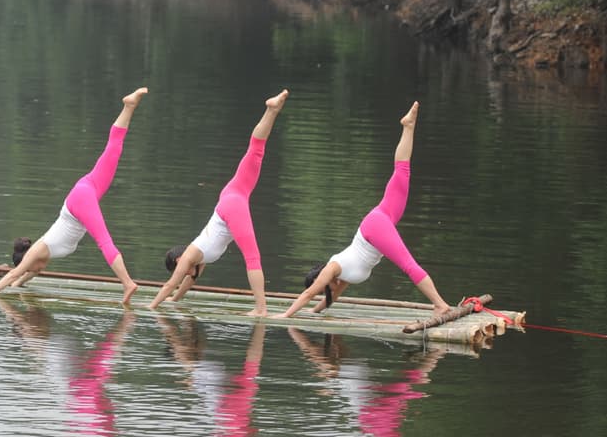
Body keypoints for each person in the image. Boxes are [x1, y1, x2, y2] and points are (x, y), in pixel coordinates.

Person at [271, 101, 453, 318]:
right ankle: (409, 126)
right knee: (402, 172)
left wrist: (285, 316)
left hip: (374, 228)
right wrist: (312, 312)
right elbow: (328, 301)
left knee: (408, 265)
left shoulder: (333, 268)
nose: (324, 292)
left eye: (323, 288)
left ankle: (440, 305)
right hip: (382, 219)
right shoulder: (341, 279)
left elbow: (309, 293)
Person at [0, 88, 148, 305]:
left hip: (80, 201)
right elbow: (20, 279)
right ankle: (129, 106)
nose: (35, 272)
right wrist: (17, 286)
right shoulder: (41, 260)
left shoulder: (38, 251)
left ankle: (128, 283)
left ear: (28, 261)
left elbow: (14, 275)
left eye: (30, 268)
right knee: (113, 150)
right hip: (87, 189)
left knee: (104, 241)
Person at [148, 90, 289, 315]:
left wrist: (150, 307)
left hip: (231, 206)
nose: (184, 273)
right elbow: (182, 287)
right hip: (234, 195)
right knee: (256, 151)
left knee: (253, 257)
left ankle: (261, 309)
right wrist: (173, 301)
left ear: (177, 259)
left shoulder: (189, 257)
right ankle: (272, 110)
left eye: (180, 269)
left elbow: (170, 284)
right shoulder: (199, 260)